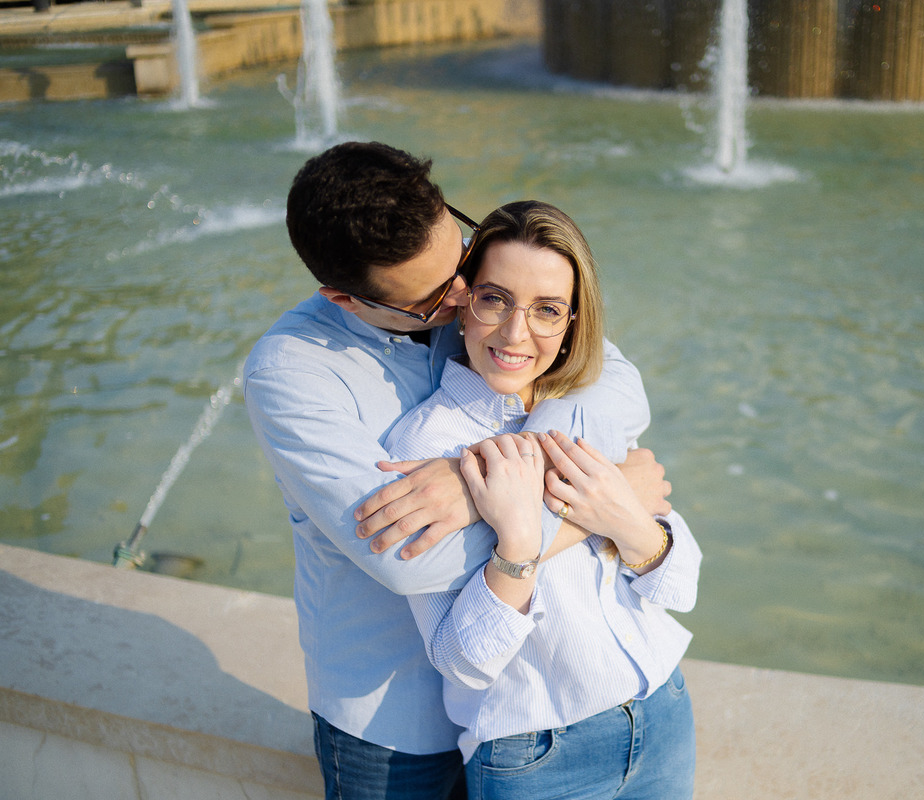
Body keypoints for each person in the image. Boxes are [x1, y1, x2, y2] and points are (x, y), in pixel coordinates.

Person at [242, 143, 672, 800]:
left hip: (512, 707)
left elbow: (612, 382)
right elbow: (412, 560)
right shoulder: (291, 373)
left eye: (463, 255)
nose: (469, 295)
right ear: (344, 299)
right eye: (441, 295)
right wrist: (607, 506)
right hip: (393, 721)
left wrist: (482, 482)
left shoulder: (468, 295)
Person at [386, 201, 700, 799]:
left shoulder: (589, 407)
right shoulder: (424, 448)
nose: (514, 333)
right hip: (536, 757)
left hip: (662, 714)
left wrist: (623, 520)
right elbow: (460, 660)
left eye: (546, 310)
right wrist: (519, 546)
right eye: (495, 299)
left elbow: (680, 586)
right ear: (462, 300)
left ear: (572, 323)